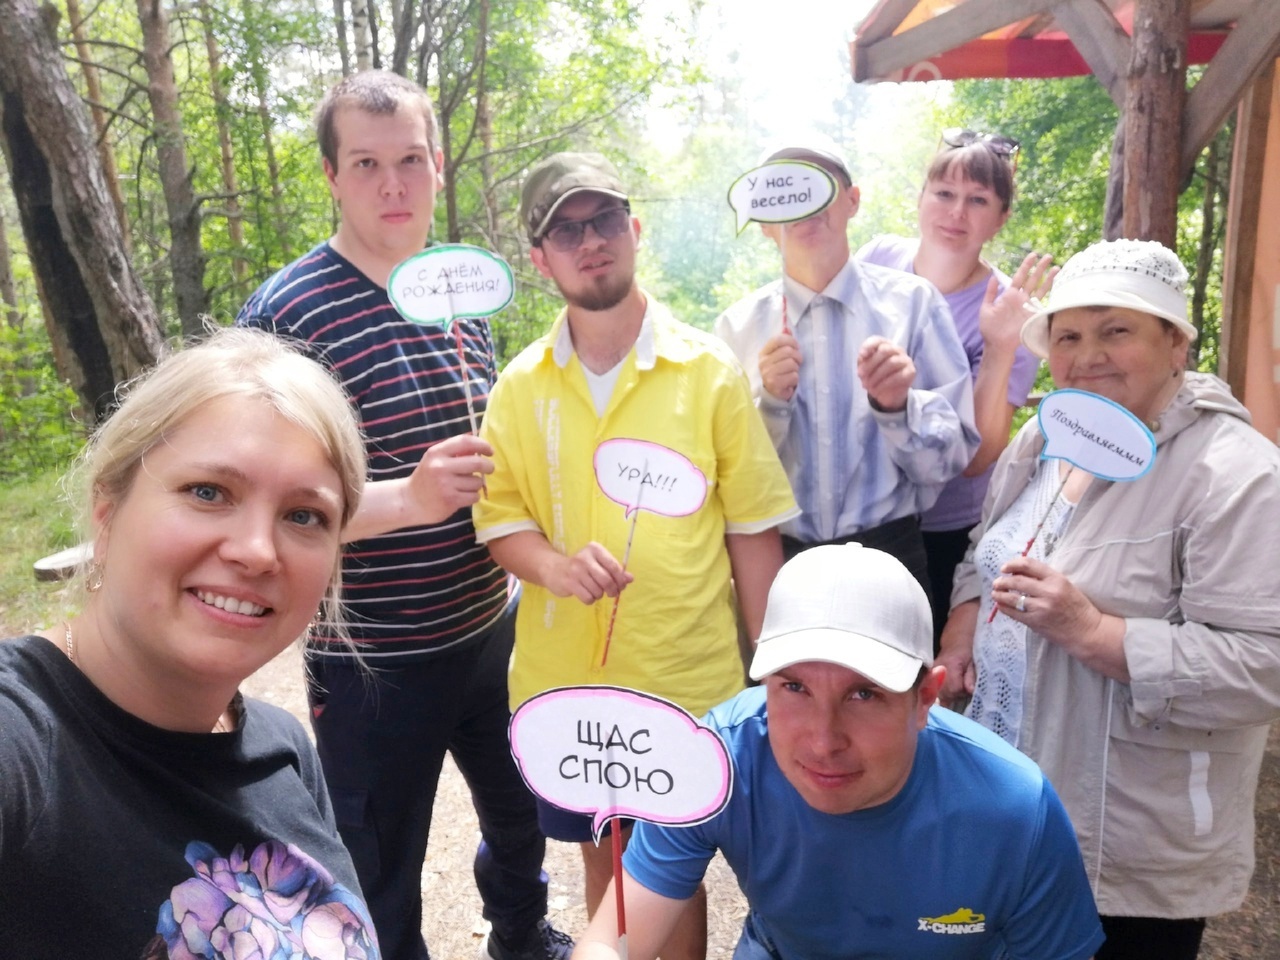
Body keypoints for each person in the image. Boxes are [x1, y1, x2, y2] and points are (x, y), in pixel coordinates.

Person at [237, 71, 567, 960]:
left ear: (437, 166)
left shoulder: (463, 291)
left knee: (522, 814)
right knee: (380, 861)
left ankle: (521, 935)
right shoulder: (287, 315)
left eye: (411, 161)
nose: (393, 185)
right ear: (331, 176)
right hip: (371, 659)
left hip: (490, 629)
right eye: (367, 164)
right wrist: (408, 499)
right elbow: (266, 505)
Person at [473, 151, 799, 960]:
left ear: (635, 228)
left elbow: (752, 528)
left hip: (685, 680)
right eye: (566, 231)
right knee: (606, 861)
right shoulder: (519, 386)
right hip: (567, 690)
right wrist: (553, 567)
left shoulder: (707, 371)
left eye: (605, 220)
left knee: (673, 870)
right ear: (540, 259)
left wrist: (775, 666)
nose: (590, 241)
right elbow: (499, 519)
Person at [938, 238, 1280, 960]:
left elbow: (1263, 668)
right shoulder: (1042, 439)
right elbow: (982, 551)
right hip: (1006, 808)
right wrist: (962, 629)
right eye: (1067, 336)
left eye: (1115, 330)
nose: (1087, 355)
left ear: (1175, 342)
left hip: (1127, 849)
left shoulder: (1237, 474)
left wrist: (1092, 630)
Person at [0, 328, 382, 959]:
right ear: (107, 513)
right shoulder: (23, 746)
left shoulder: (284, 751)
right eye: (208, 492)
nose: (257, 551)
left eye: (304, 515)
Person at [571, 543, 1104, 960]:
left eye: (864, 694)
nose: (824, 741)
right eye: (794, 687)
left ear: (925, 698)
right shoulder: (717, 761)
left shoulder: (1013, 809)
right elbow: (619, 932)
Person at [715, 134, 980, 593]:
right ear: (762, 222)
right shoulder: (736, 329)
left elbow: (953, 458)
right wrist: (769, 405)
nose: (803, 203)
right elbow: (723, 477)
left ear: (852, 201)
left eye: (817, 183)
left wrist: (898, 408)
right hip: (778, 563)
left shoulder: (915, 304)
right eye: (782, 190)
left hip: (892, 556)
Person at [856, 129, 1051, 645]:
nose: (956, 213)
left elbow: (978, 457)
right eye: (944, 193)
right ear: (921, 197)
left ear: (1001, 217)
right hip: (860, 506)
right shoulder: (877, 259)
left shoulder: (1009, 309)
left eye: (978, 200)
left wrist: (1001, 347)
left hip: (942, 527)